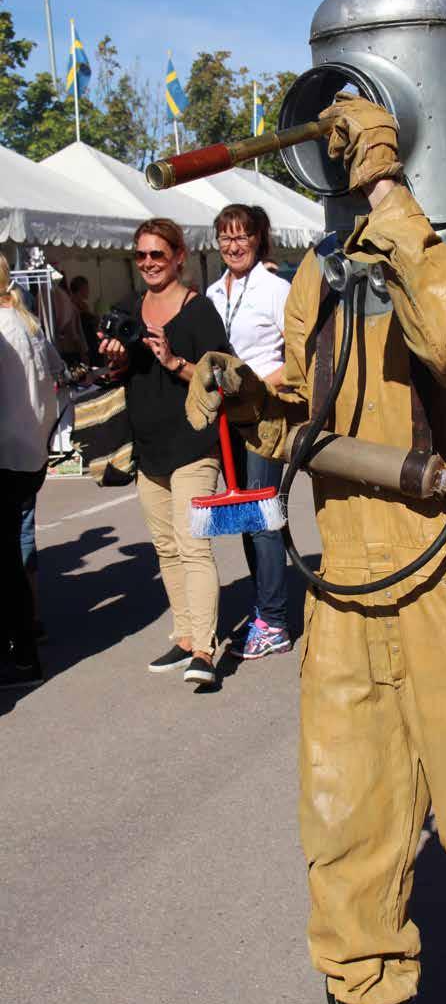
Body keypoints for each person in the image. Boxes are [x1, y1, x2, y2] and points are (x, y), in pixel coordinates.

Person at [186, 0, 446, 1004]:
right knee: (347, 823)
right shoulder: (319, 275)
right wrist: (245, 399)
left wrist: (389, 200)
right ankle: (361, 984)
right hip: (349, 595)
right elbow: (310, 430)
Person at [100, 218, 231, 686]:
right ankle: (184, 637)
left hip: (194, 444)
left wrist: (174, 361)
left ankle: (206, 649)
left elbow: (222, 378)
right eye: (141, 256)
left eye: (158, 254)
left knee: (194, 546)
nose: (149, 264)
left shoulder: (200, 312)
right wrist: (116, 359)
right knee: (167, 548)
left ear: (179, 256)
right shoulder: (127, 308)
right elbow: (116, 375)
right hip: (148, 448)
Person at [206, 205, 292, 659]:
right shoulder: (213, 292)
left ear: (259, 238)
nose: (233, 245)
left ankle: (274, 621)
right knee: (242, 516)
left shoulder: (276, 290)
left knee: (263, 519)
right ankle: (262, 611)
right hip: (227, 421)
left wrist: (260, 385)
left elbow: (299, 357)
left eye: (242, 236)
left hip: (264, 418)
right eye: (225, 237)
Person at [0, 253, 61, 688]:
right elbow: (56, 373)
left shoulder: (6, 326)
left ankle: (21, 646)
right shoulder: (28, 321)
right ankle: (28, 628)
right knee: (20, 541)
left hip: (9, 453)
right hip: (30, 450)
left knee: (10, 554)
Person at [69, 275, 101, 366]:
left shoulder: (84, 305)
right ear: (81, 289)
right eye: (87, 288)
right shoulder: (73, 307)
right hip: (84, 347)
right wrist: (82, 352)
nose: (88, 291)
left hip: (91, 345)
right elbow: (75, 332)